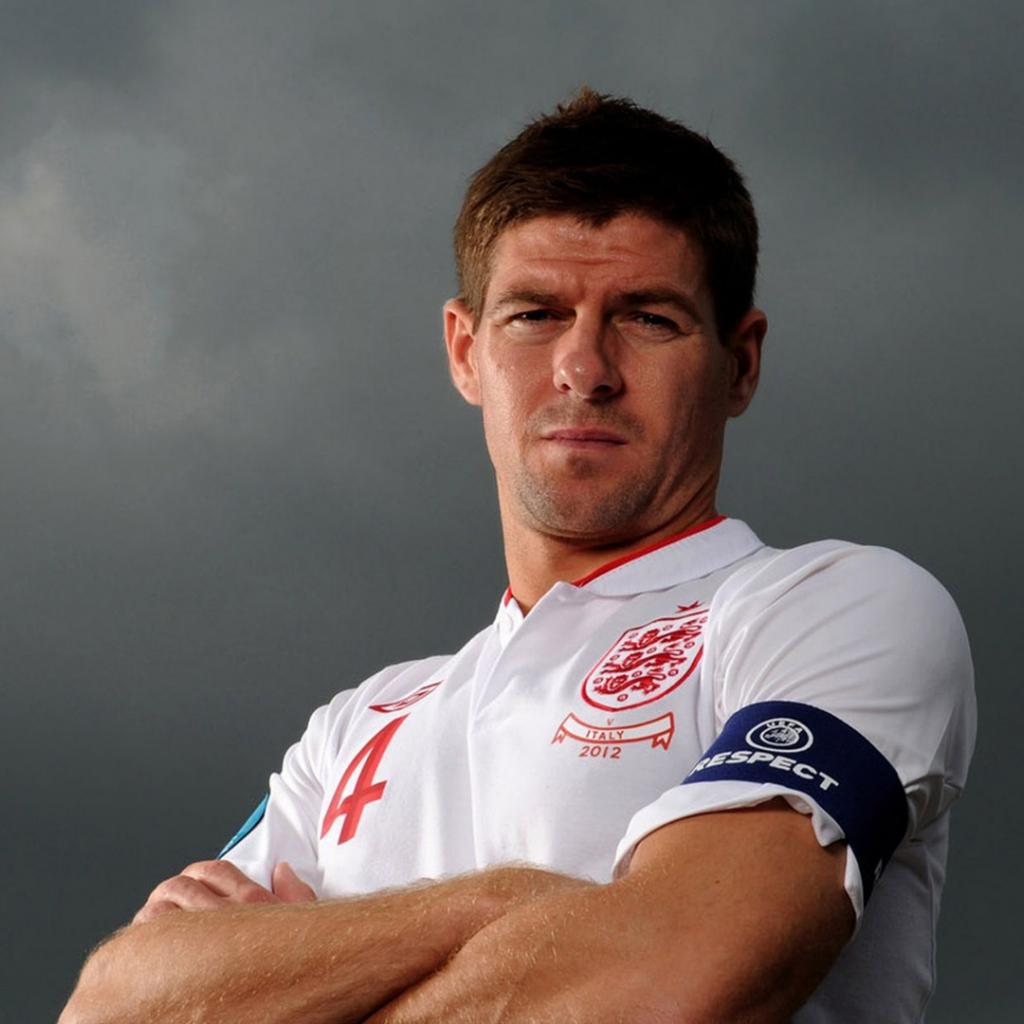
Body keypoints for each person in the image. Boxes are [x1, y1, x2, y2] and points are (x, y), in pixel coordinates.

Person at [60, 88, 975, 1024]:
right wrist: (503, 902)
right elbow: (109, 1008)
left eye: (648, 318)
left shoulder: (840, 609)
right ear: (465, 351)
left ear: (740, 362)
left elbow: (668, 986)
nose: (585, 370)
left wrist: (301, 970)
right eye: (536, 315)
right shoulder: (354, 729)